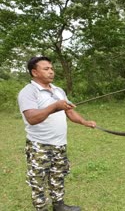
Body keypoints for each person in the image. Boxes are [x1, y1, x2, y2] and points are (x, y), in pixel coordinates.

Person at [18, 56, 96, 211]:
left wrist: (84, 122)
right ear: (34, 72)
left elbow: (70, 112)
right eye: (46, 69)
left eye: (51, 68)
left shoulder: (58, 90)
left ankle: (59, 205)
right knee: (38, 180)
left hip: (60, 143)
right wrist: (54, 107)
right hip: (39, 145)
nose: (51, 72)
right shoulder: (28, 92)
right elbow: (32, 118)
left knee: (58, 175)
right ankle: (41, 208)